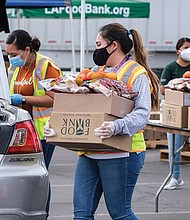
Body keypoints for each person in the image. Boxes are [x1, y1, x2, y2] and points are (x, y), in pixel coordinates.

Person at [45, 22, 159, 220]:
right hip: (90, 151)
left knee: (120, 213)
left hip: (123, 152)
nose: (95, 49)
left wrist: (117, 126)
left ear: (113, 45)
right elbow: (83, 107)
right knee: (81, 215)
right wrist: (55, 125)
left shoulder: (136, 73)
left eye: (98, 44)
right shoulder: (95, 72)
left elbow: (142, 113)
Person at [5, 29, 63, 219]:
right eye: (8, 54)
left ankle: (42, 214)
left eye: (13, 54)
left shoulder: (46, 66)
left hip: (45, 131)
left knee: (40, 176)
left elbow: (57, 98)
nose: (10, 58)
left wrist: (23, 98)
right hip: (22, 131)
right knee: (23, 177)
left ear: (27, 50)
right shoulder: (14, 67)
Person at [160, 37, 190, 190]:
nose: (188, 50)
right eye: (186, 47)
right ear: (178, 51)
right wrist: (179, 87)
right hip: (176, 110)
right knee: (174, 145)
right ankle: (175, 176)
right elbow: (162, 89)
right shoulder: (171, 67)